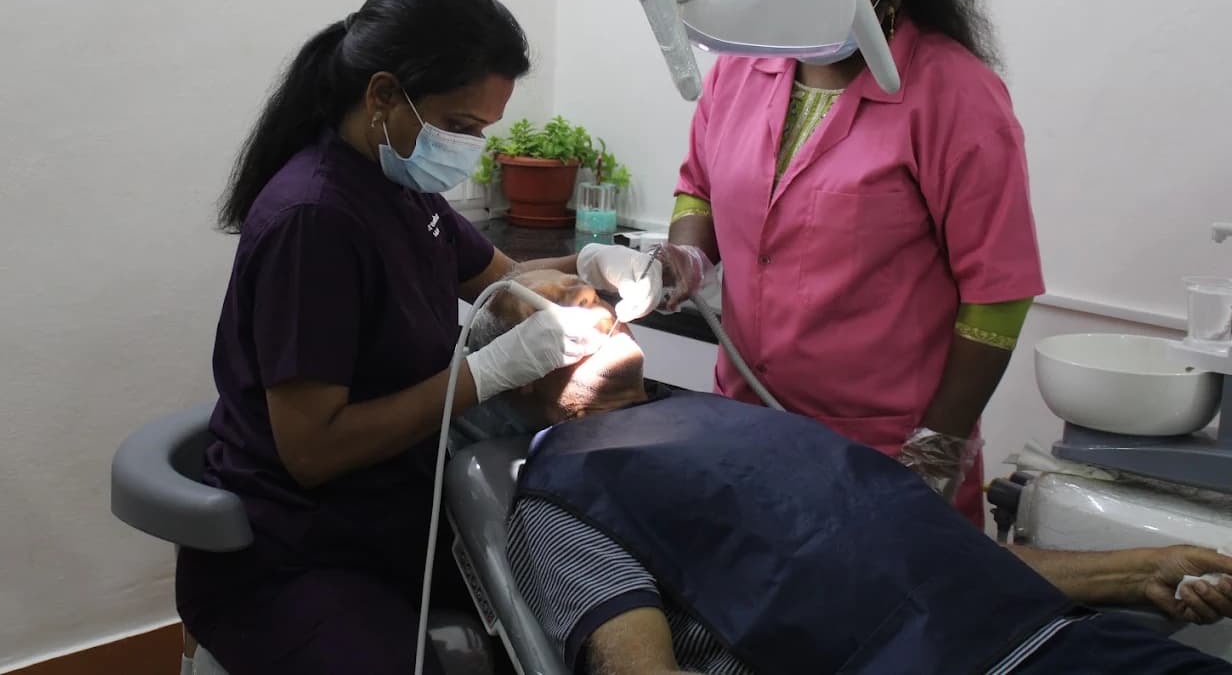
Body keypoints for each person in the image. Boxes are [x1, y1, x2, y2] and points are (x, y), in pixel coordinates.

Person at [467, 270, 1232, 675]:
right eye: (558, 303)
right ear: (518, 366)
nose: (592, 301)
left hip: (1063, 643)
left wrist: (1135, 571)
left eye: (588, 289)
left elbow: (926, 554)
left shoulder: (727, 418)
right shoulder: (564, 496)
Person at [579, 0, 1045, 525]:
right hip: (745, 421)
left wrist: (937, 444)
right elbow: (699, 189)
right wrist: (685, 257)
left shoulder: (955, 94)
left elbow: (998, 289)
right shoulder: (743, 63)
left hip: (886, 446)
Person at [174, 0, 612, 674]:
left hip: (396, 511)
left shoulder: (407, 191)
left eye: (485, 131)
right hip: (289, 553)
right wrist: (488, 371)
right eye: (463, 127)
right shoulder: (313, 220)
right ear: (384, 95)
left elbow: (509, 280)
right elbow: (311, 449)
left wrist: (599, 269)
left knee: (576, 598)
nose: (471, 147)